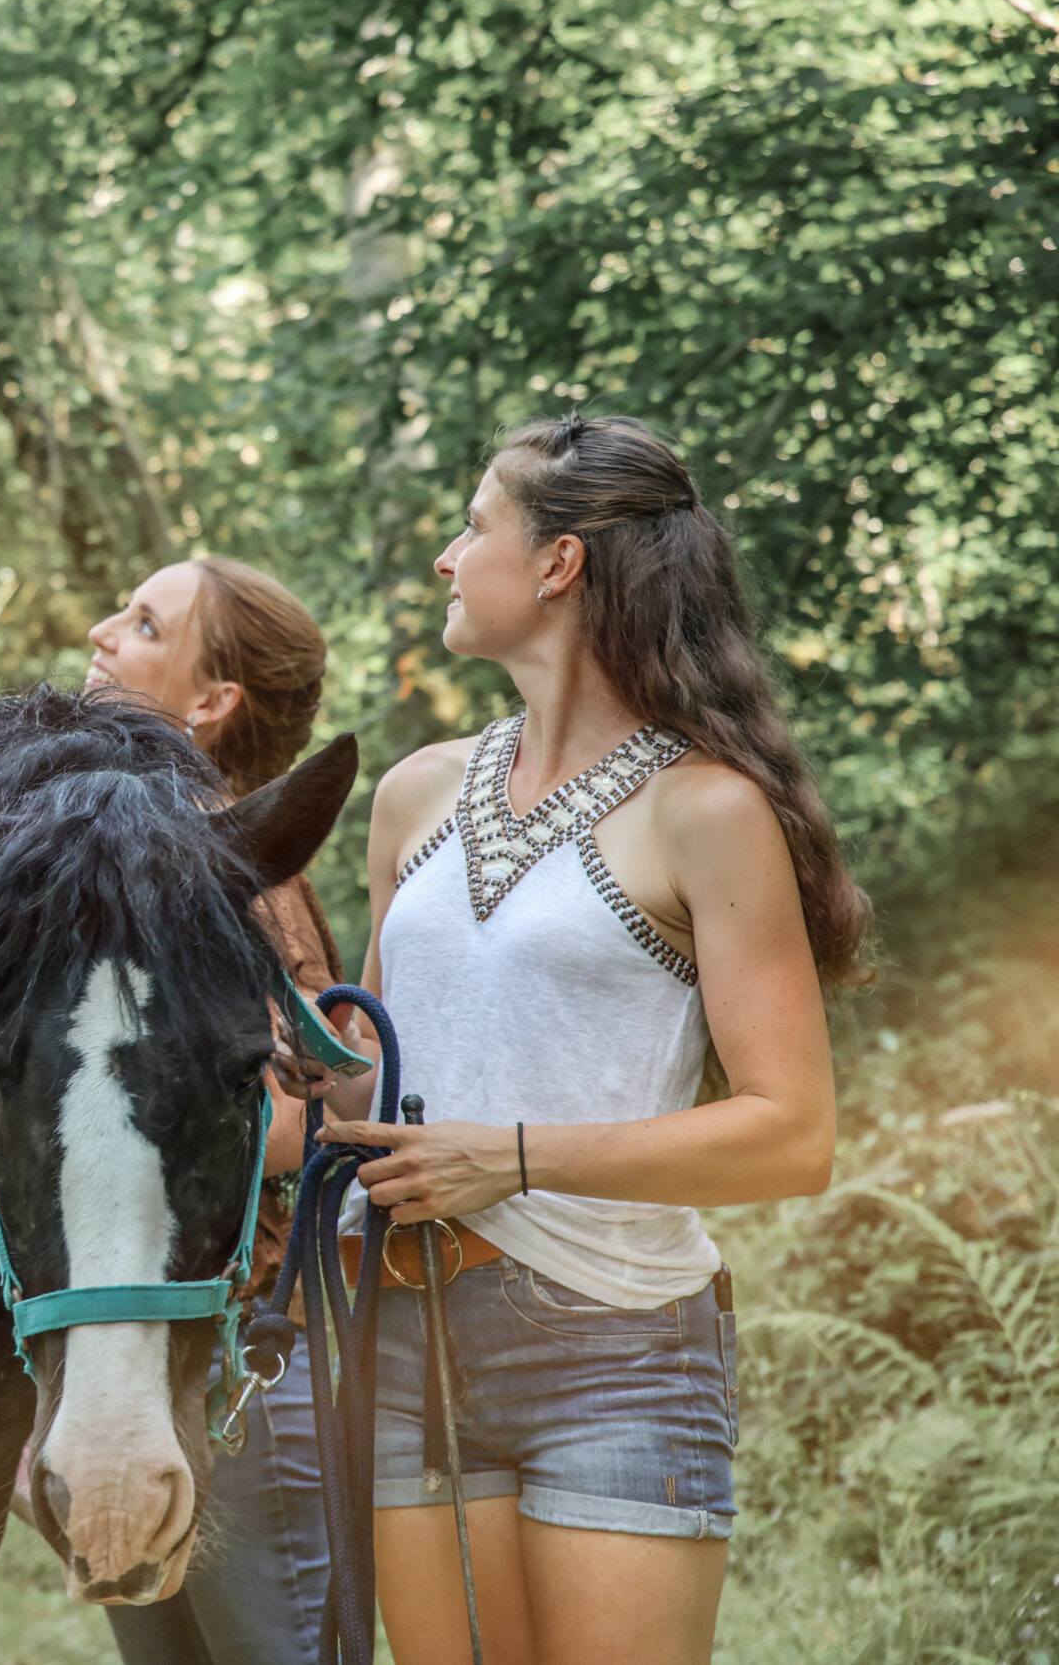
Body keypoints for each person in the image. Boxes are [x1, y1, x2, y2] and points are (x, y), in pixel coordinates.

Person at [326, 415, 862, 1665]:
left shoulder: (707, 810)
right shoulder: (415, 792)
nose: (449, 559)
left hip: (614, 1344)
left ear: (558, 564)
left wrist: (506, 1157)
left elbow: (791, 1135)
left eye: (474, 527)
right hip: (405, 1333)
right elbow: (365, 1077)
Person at [86, 557, 347, 1665]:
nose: (101, 632)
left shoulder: (236, 866)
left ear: (210, 701)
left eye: (143, 625)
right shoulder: (149, 847)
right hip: (147, 1357)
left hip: (247, 1363)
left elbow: (295, 1120)